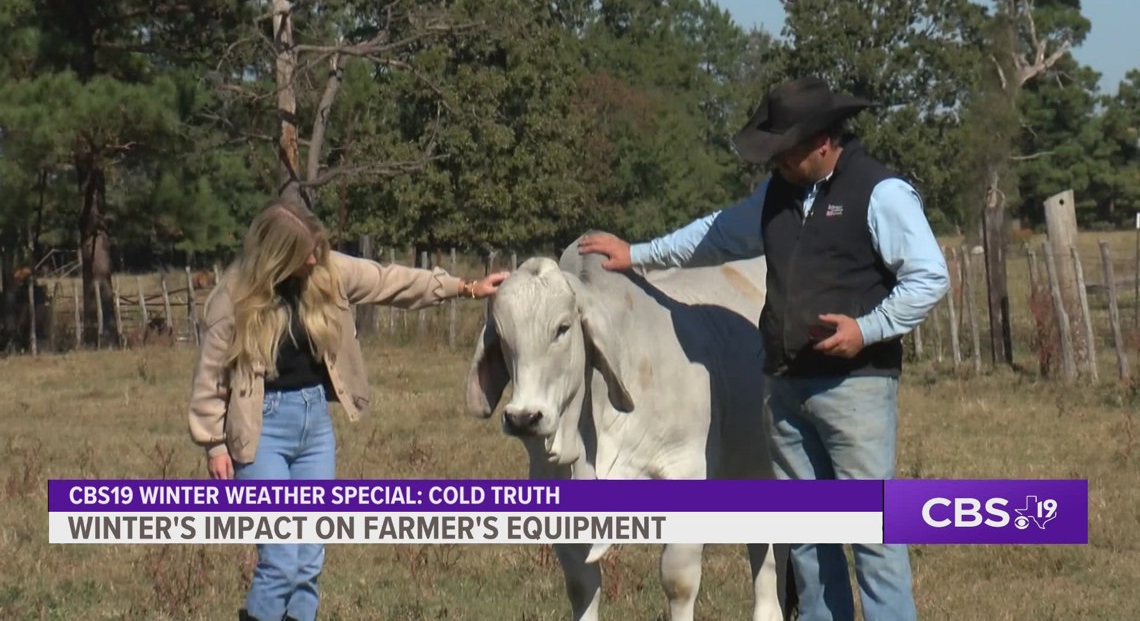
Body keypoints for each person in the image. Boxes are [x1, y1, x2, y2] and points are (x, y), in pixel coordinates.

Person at [578, 76, 949, 621]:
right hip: (785, 385)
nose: (774, 164)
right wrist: (638, 253)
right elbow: (715, 236)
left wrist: (867, 329)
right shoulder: (777, 195)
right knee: (804, 533)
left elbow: (928, 277)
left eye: (785, 153)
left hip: (856, 389)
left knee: (873, 532)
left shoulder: (880, 193)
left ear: (822, 144)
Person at [188, 198, 508, 621]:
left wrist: (464, 288)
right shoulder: (233, 295)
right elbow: (210, 377)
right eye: (305, 251)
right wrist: (213, 444)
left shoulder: (327, 272)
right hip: (260, 429)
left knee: (307, 563)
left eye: (317, 247)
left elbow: (389, 281)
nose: (315, 257)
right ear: (277, 254)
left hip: (314, 424)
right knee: (281, 560)